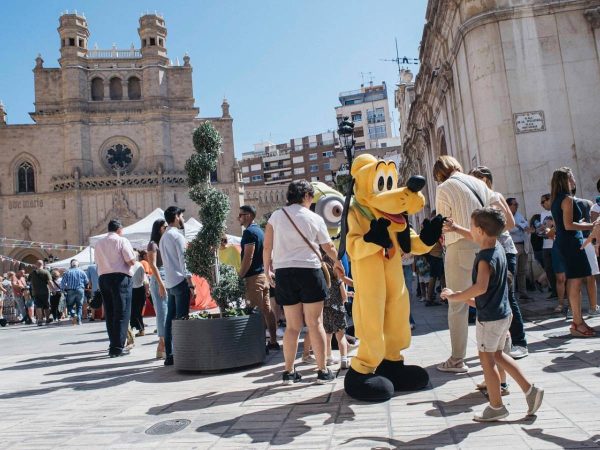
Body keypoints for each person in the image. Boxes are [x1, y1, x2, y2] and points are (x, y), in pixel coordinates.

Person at [441, 207, 544, 421]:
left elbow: (480, 288)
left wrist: (455, 296)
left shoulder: (485, 259)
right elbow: (477, 237)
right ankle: (530, 390)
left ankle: (496, 406)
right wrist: (457, 228)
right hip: (502, 313)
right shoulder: (497, 247)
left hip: (490, 318)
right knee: (497, 355)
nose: (470, 231)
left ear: (479, 230)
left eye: (471, 227)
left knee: (487, 360)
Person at [264, 180, 344, 385]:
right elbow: (328, 247)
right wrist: (337, 263)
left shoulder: (276, 216)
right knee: (315, 322)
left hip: (284, 273)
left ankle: (288, 372)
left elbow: (267, 247)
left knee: (292, 326)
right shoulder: (314, 218)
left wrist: (267, 270)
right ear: (307, 196)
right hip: (309, 271)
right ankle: (322, 370)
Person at [433, 155, 495, 373]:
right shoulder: (479, 183)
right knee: (488, 299)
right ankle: (499, 351)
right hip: (486, 246)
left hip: (459, 247)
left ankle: (457, 359)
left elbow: (443, 222)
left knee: (457, 303)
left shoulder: (444, 187)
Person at [468, 166, 528, 360]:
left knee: (508, 298)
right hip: (491, 252)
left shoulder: (494, 196)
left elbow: (509, 224)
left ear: (485, 180)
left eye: (476, 179)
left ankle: (520, 342)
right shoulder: (479, 199)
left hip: (503, 251)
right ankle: (504, 345)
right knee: (498, 298)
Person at [550, 167, 597, 337]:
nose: (574, 180)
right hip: (572, 243)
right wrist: (593, 226)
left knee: (573, 281)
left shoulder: (557, 199)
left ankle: (578, 321)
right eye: (572, 177)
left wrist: (581, 223)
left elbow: (564, 224)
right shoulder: (567, 199)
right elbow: (569, 225)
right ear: (566, 180)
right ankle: (577, 322)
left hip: (565, 242)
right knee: (576, 282)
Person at [238, 205, 279, 350]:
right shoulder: (260, 231)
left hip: (254, 277)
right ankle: (273, 341)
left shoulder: (249, 232)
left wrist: (240, 275)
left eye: (241, 215)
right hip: (263, 275)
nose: (239, 218)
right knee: (267, 310)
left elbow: (248, 256)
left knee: (254, 312)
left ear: (248, 215)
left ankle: (259, 345)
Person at [95, 219, 136, 357]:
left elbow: (97, 263)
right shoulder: (122, 240)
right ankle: (118, 347)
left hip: (103, 278)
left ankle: (113, 344)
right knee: (122, 313)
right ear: (119, 229)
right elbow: (130, 260)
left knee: (110, 313)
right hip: (120, 278)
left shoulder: (99, 243)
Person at [160, 206, 195, 366]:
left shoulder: (163, 237)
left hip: (170, 282)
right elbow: (184, 261)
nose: (183, 219)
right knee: (181, 319)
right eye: (181, 216)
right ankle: (182, 353)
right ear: (175, 217)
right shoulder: (177, 236)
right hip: (180, 281)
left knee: (170, 320)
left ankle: (170, 354)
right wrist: (190, 283)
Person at [322, 253, 350, 369]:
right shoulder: (338, 280)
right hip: (338, 309)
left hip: (325, 309)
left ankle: (328, 358)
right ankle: (344, 359)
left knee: (327, 335)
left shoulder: (323, 281)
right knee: (341, 336)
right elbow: (344, 297)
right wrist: (347, 296)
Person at [147, 219, 168, 359]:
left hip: (165, 276)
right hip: (159, 277)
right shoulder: (152, 245)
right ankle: (162, 343)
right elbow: (153, 266)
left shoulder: (162, 243)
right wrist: (161, 284)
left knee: (166, 311)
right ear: (160, 228)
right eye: (165, 227)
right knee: (162, 312)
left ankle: (163, 345)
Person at [507, 198, 532, 300]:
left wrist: (518, 225)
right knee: (512, 271)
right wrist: (519, 226)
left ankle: (523, 293)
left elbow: (526, 225)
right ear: (508, 205)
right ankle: (511, 293)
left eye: (517, 204)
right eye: (514, 204)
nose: (517, 205)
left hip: (523, 245)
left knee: (522, 271)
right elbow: (510, 229)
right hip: (513, 246)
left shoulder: (519, 215)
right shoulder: (505, 215)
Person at [60, 260, 89, 325]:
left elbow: (63, 283)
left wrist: (62, 290)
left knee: (69, 305)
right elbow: (87, 282)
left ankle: (73, 314)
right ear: (78, 265)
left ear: (71, 265)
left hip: (70, 290)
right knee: (79, 305)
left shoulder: (67, 272)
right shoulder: (82, 272)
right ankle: (79, 320)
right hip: (80, 290)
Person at [130, 252, 149, 337]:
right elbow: (145, 279)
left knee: (132, 312)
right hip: (140, 290)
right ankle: (140, 329)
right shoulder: (140, 265)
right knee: (137, 312)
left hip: (131, 290)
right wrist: (147, 290)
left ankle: (135, 330)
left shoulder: (127, 265)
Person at [29, 260, 53, 326]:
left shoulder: (32, 273)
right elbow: (50, 282)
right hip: (45, 291)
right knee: (46, 306)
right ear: (43, 264)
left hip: (35, 292)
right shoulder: (46, 272)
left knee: (38, 306)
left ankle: (40, 320)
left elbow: (28, 281)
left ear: (36, 265)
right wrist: (53, 289)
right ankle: (47, 319)